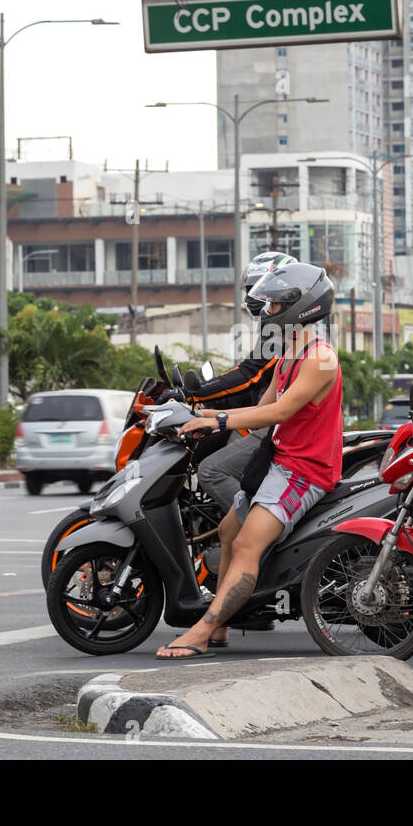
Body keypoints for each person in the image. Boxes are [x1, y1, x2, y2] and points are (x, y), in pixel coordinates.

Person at [156, 262, 342, 659]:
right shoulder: (291, 353)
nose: (267, 313)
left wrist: (217, 419)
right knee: (227, 532)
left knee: (244, 547)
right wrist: (200, 417)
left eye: (275, 306)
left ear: (301, 306)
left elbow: (279, 413)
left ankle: (202, 631)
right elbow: (262, 404)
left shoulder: (320, 358)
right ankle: (221, 624)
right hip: (278, 462)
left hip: (302, 471)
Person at [186, 251, 297, 513]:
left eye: (259, 288)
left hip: (278, 427)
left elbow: (249, 375)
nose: (253, 295)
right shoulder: (278, 329)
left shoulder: (287, 333)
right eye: (252, 289)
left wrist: (198, 394)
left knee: (212, 470)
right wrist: (209, 412)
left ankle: (256, 528)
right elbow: (258, 385)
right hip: (268, 417)